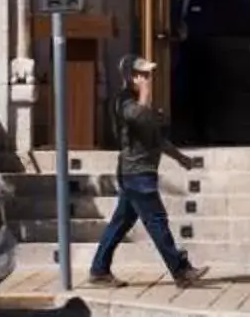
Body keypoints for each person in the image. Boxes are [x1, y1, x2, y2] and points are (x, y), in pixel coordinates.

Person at [85, 56, 205, 289]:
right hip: (136, 173)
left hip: (140, 173)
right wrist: (146, 92)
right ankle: (180, 271)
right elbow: (138, 118)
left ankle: (99, 270)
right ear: (132, 77)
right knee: (157, 221)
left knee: (120, 223)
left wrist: (181, 159)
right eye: (144, 75)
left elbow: (156, 139)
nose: (149, 78)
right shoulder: (123, 102)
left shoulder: (139, 102)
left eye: (149, 75)